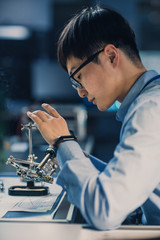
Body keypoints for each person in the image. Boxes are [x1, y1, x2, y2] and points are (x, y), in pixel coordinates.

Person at [27, 5, 160, 230]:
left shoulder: (149, 110)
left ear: (110, 56)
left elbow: (105, 210)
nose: (80, 91)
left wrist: (64, 142)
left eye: (78, 76)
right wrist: (73, 154)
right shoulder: (146, 103)